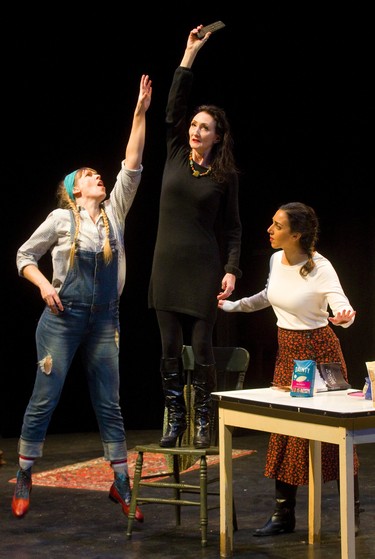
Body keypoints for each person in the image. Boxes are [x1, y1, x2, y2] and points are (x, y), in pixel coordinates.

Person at [12, 74, 152, 522]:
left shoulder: (114, 213)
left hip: (105, 320)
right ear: (75, 188)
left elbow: (132, 160)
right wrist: (44, 285)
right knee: (44, 398)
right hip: (62, 318)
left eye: (98, 174)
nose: (99, 177)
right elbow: (23, 256)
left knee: (109, 403)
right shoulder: (59, 218)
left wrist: (139, 112)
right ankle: (24, 474)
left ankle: (122, 483)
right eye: (90, 175)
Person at [218, 201, 361, 536]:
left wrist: (344, 316)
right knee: (287, 430)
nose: (270, 230)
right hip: (290, 354)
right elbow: (270, 294)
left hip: (320, 352)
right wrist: (234, 307)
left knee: (334, 435)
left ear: (296, 234)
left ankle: (351, 514)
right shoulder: (274, 259)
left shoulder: (320, 267)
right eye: (272, 223)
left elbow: (341, 304)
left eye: (278, 226)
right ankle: (283, 515)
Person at [148, 25, 242, 450]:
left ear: (217, 136)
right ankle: (175, 419)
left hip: (204, 268)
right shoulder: (173, 151)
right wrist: (189, 54)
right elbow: (173, 106)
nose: (196, 130)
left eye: (205, 128)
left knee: (201, 347)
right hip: (166, 265)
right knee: (169, 348)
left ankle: (204, 421)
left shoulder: (224, 176)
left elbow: (233, 228)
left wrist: (231, 270)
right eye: (195, 125)